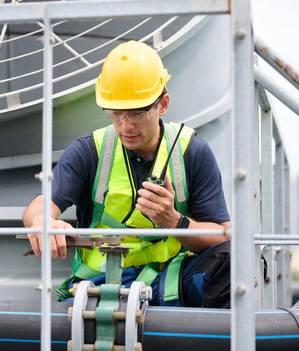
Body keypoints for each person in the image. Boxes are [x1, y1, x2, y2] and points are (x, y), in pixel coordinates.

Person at [22, 41, 231, 308]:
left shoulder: (192, 153)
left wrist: (174, 221)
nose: (125, 125)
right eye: (116, 112)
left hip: (169, 283)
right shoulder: (89, 151)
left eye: (138, 112)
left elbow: (222, 236)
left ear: (163, 104)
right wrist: (44, 222)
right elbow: (37, 208)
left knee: (234, 260)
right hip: (98, 285)